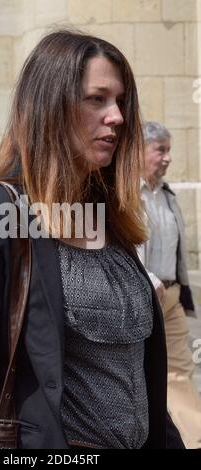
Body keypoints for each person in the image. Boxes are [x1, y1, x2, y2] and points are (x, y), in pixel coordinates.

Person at [0, 30, 184, 449]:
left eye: (120, 101)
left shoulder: (107, 217)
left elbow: (139, 384)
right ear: (50, 106)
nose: (117, 116)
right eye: (97, 99)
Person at [138, 121, 201, 449]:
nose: (168, 158)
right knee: (141, 375)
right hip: (141, 296)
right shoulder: (124, 194)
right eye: (160, 150)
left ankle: (194, 440)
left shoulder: (168, 195)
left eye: (169, 150)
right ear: (141, 151)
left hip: (171, 295)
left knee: (179, 371)